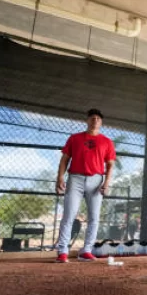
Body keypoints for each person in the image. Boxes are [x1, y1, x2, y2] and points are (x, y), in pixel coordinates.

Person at [55, 108, 116, 263]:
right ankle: (62, 251)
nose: (95, 120)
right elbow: (64, 159)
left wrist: (106, 182)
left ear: (101, 122)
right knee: (69, 215)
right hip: (75, 178)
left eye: (98, 118)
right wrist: (60, 177)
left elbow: (110, 165)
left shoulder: (107, 142)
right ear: (87, 120)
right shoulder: (74, 138)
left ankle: (86, 250)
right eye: (92, 117)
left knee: (94, 218)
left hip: (96, 180)